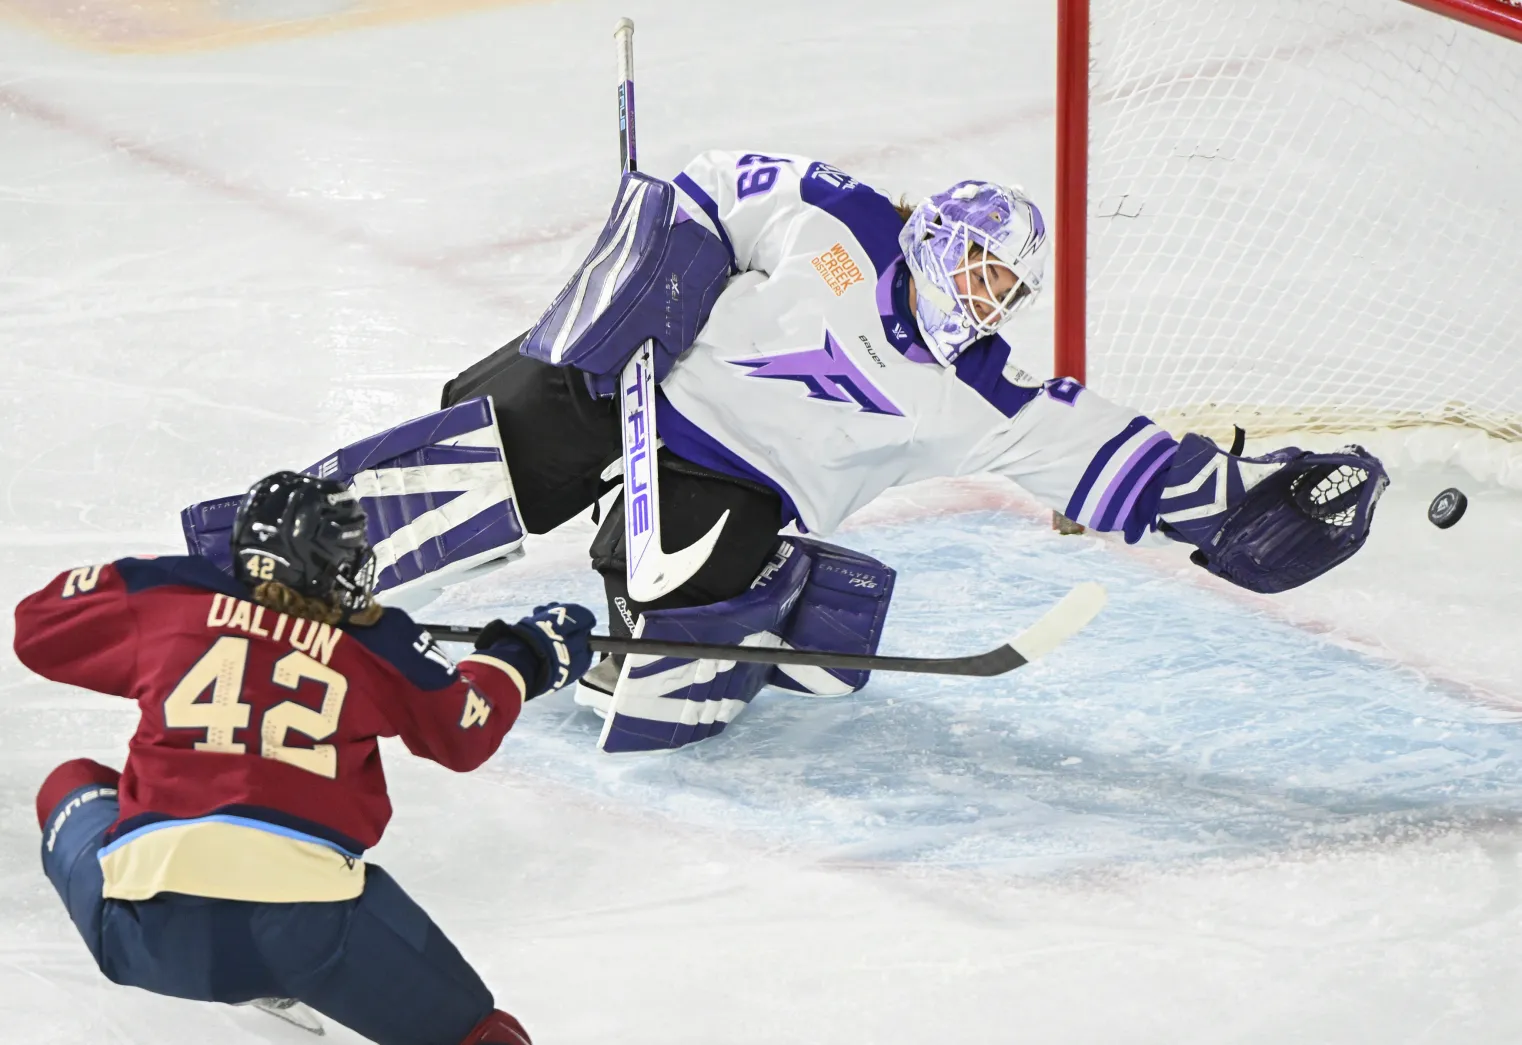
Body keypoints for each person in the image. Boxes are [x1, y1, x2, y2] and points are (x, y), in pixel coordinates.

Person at [432, 151, 1386, 747]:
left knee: (674, 598)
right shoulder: (843, 225)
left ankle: (746, 601)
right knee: (494, 421)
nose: (986, 295)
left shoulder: (976, 393)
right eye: (977, 264)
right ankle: (344, 535)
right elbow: (711, 188)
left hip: (730, 478)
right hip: (638, 378)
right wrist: (650, 278)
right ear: (933, 234)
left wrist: (1240, 502)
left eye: (1005, 286)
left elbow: (1117, 458)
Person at [15, 471, 596, 1045]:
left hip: (141, 932)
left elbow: (37, 627)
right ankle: (285, 974)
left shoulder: (173, 600)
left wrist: (158, 583)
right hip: (307, 933)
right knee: (480, 1036)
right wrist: (527, 654)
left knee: (73, 781)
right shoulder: (377, 641)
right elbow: (466, 730)